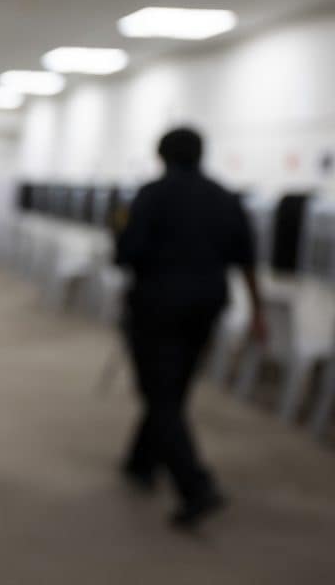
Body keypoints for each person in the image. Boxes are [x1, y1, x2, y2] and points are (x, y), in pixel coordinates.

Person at [115, 127, 265, 529]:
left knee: (158, 391)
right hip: (206, 308)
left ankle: (195, 485)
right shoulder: (225, 197)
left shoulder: (150, 195)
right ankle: (140, 461)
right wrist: (258, 311)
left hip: (155, 307)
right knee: (173, 387)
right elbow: (247, 258)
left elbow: (126, 252)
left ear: (162, 156)